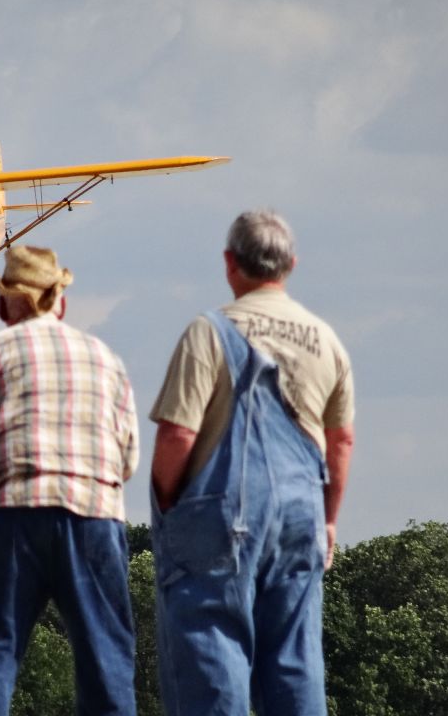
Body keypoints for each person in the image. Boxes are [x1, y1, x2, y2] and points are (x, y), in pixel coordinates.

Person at [149, 210, 355, 715]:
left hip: (221, 517)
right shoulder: (325, 338)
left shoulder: (209, 331)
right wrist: (327, 521)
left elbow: (178, 433)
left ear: (229, 263)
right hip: (301, 517)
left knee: (212, 656)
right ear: (290, 265)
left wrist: (168, 505)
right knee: (295, 662)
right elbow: (342, 441)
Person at [0, 245, 140, 716]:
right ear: (60, 301)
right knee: (106, 659)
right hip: (93, 519)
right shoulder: (104, 358)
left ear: (2, 302)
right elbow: (126, 461)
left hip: (11, 518)